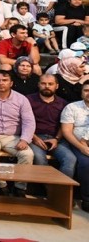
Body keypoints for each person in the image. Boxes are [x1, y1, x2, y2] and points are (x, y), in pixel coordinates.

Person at [0, 70, 36, 197]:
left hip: (13, 137)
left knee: (27, 154)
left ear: (11, 83)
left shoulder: (21, 99)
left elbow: (29, 121)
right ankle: (2, 186)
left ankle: (20, 187)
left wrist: (24, 140)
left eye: (5, 80)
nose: (1, 83)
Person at [26, 74, 76, 179]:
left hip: (57, 139)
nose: (47, 86)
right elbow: (23, 122)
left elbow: (64, 124)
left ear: (56, 86)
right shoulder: (28, 100)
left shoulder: (63, 104)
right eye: (43, 83)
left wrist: (56, 139)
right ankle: (47, 185)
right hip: (34, 137)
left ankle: (62, 186)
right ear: (38, 85)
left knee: (70, 159)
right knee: (39, 158)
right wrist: (34, 138)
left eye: (50, 84)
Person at [60, 82, 89, 213]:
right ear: (81, 92)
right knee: (86, 163)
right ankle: (86, 198)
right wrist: (81, 147)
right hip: (76, 143)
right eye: (86, 90)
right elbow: (66, 131)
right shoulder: (72, 107)